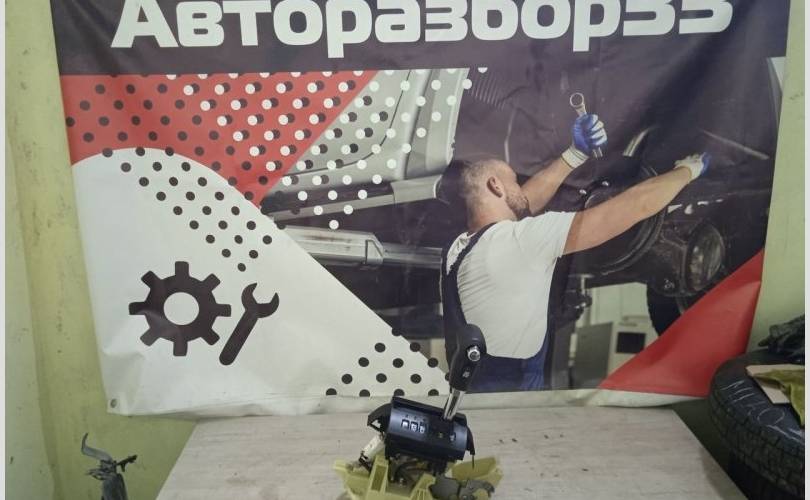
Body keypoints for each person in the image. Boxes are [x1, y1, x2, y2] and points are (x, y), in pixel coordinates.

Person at [439, 113, 710, 392]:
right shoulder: (520, 240)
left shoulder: (458, 248)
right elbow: (632, 208)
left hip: (471, 396)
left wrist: (575, 154)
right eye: (515, 181)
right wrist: (688, 170)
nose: (521, 188)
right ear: (495, 186)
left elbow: (522, 202)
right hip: (510, 403)